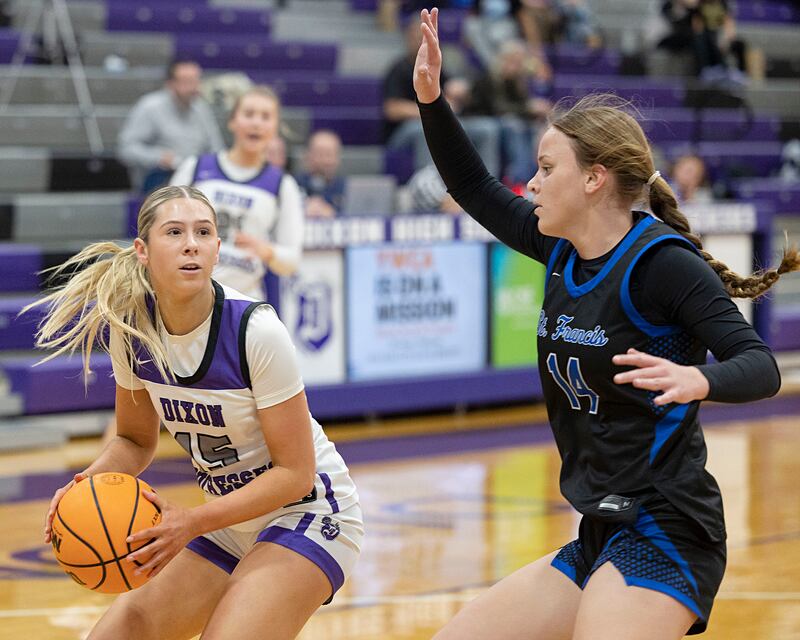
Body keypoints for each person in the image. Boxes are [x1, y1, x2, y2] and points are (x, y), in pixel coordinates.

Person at [413, 9, 798, 639]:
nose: (531, 184)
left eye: (545, 168)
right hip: (601, 528)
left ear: (593, 179)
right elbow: (476, 186)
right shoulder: (562, 249)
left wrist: (698, 380)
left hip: (669, 528)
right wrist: (431, 99)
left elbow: (760, 367)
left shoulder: (661, 265)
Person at [34, 186, 362, 640]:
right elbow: (134, 442)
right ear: (143, 251)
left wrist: (190, 523)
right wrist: (84, 485)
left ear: (216, 249)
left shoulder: (255, 330)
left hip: (307, 512)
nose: (191, 243)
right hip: (229, 520)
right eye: (175, 232)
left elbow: (296, 474)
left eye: (203, 232)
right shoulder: (132, 328)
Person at [170, 86, 304, 301]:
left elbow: (292, 262)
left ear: (275, 128)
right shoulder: (195, 167)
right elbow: (161, 229)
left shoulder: (282, 184)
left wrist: (266, 250)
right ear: (232, 121)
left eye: (266, 117)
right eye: (249, 114)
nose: (256, 123)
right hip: (187, 297)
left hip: (244, 302)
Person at [383, 16, 501, 175]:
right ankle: (431, 188)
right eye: (417, 36)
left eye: (427, 37)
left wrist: (461, 93)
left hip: (439, 123)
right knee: (425, 128)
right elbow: (392, 109)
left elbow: (454, 96)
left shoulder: (439, 68)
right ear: (407, 37)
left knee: (487, 128)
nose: (421, 41)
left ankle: (489, 187)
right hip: (404, 132)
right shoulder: (398, 69)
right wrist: (433, 111)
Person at [118, 59, 224, 193]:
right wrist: (159, 157)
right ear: (170, 84)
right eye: (187, 82)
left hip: (197, 181)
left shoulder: (201, 108)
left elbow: (216, 149)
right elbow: (126, 149)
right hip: (159, 183)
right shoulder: (150, 107)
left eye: (196, 80)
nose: (193, 87)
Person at [296, 130, 347, 218]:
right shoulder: (292, 185)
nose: (325, 160)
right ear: (308, 156)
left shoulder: (346, 188)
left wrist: (334, 215)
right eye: (320, 154)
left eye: (330, 154)